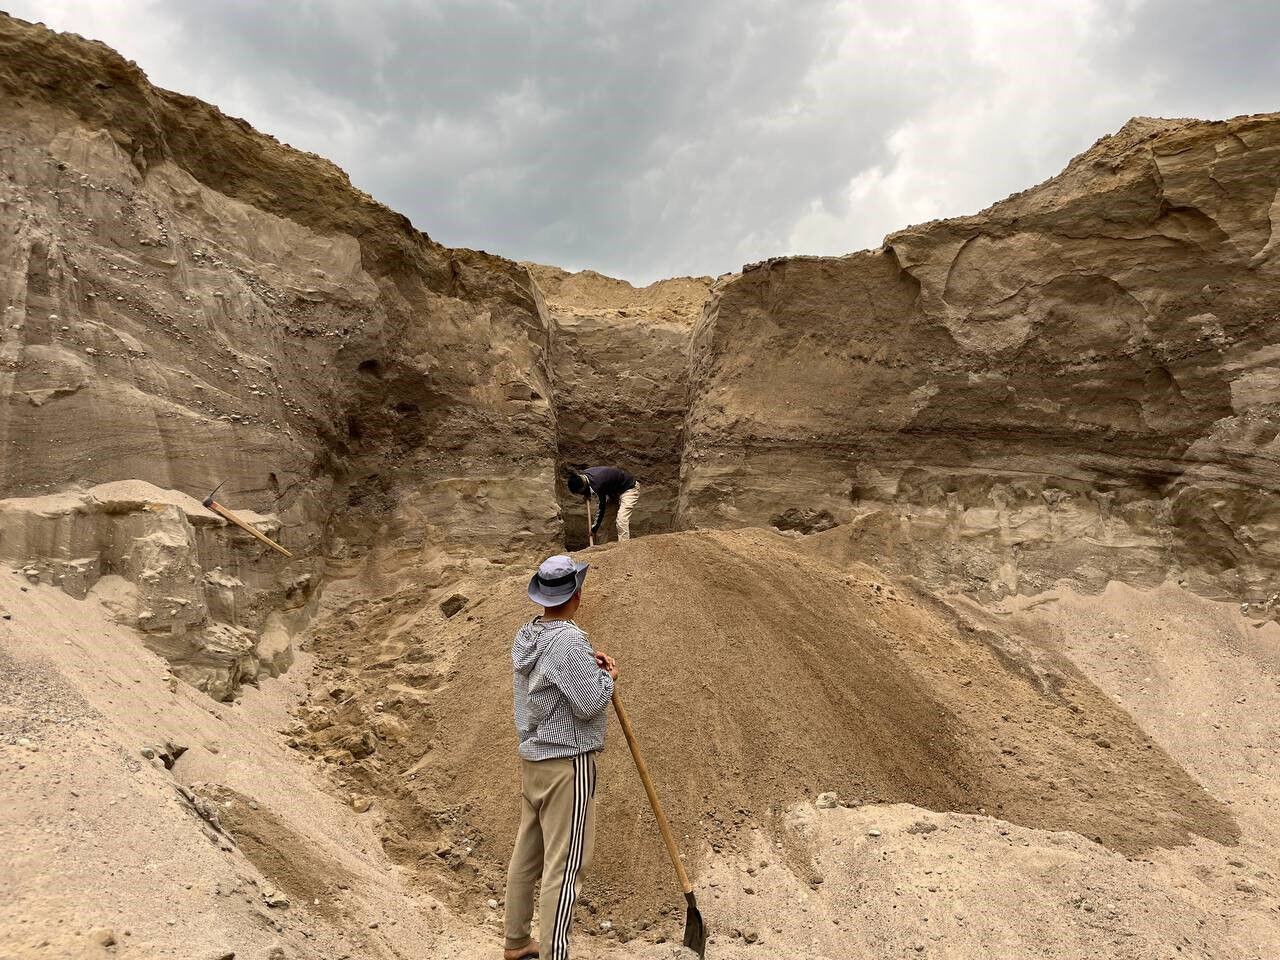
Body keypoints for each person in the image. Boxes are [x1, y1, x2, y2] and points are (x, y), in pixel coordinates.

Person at [503, 554, 619, 960]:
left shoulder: (528, 634)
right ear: (577, 594)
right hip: (566, 763)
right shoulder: (568, 639)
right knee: (566, 866)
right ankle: (555, 954)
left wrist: (590, 665)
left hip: (532, 759)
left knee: (527, 854)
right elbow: (590, 702)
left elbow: (560, 677)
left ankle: (517, 943)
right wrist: (607, 676)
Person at [566, 466, 640, 542]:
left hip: (629, 488)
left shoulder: (597, 485)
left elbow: (601, 508)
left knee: (621, 519)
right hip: (614, 493)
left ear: (583, 487)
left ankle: (624, 547)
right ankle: (602, 548)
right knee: (603, 524)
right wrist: (587, 493)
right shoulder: (583, 475)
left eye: (580, 493)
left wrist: (594, 529)